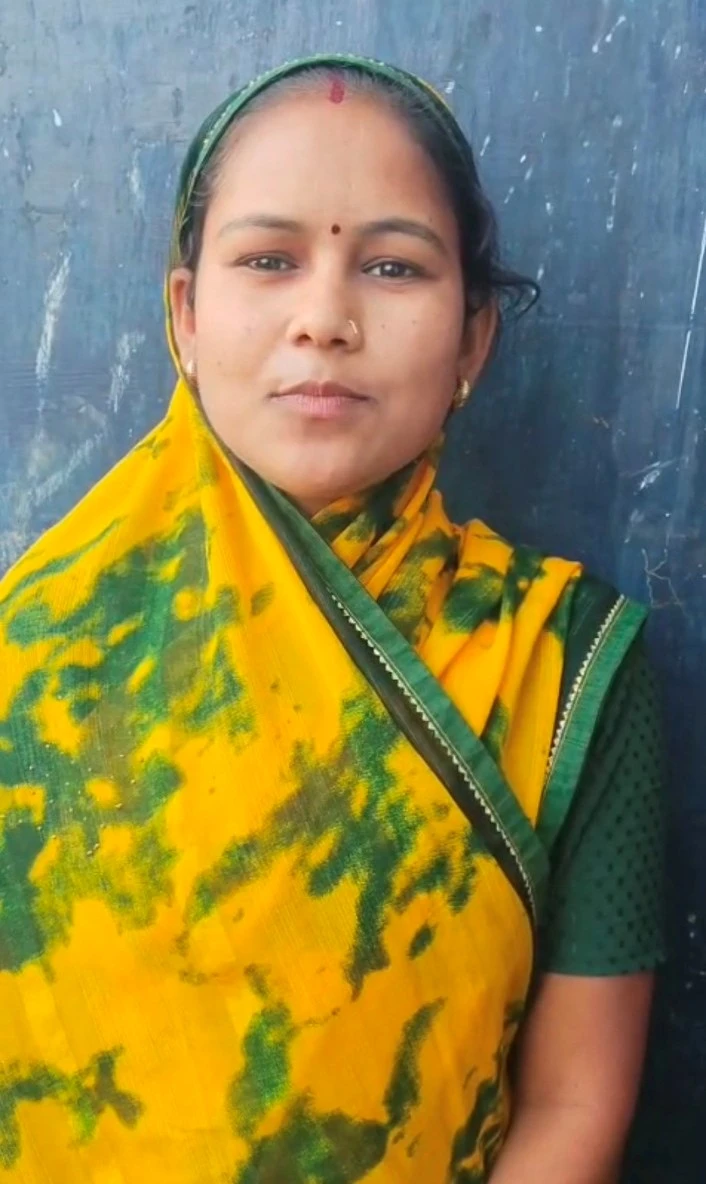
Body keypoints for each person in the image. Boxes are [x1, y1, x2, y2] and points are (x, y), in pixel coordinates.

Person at [0, 53, 664, 1183]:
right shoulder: (34, 653)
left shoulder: (563, 661)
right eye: (268, 259)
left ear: (473, 337)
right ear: (185, 314)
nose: (324, 319)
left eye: (393, 267)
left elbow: (572, 1101)